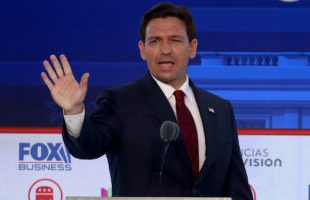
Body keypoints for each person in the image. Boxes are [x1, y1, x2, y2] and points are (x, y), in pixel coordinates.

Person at [41, 2, 253, 199]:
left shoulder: (220, 109)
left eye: (175, 40)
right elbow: (88, 146)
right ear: (142, 49)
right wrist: (74, 110)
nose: (165, 50)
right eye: (155, 41)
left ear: (193, 47)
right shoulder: (120, 101)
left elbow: (237, 186)